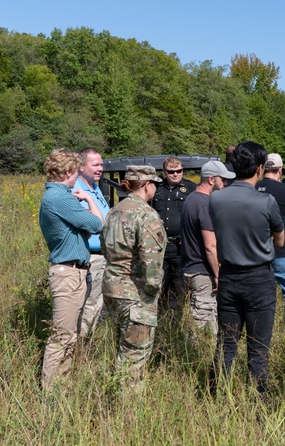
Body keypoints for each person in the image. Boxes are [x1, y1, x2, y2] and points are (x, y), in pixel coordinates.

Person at [209, 141, 285, 396]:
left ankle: (215, 395)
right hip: (259, 278)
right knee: (258, 346)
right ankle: (259, 398)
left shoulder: (217, 198)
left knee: (226, 343)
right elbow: (281, 239)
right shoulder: (266, 201)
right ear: (260, 168)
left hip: (228, 277)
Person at [38, 149, 104, 389]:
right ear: (67, 172)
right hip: (68, 272)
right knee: (63, 336)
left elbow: (82, 230)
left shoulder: (59, 197)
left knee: (70, 334)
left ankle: (62, 384)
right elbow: (96, 224)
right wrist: (88, 200)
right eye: (76, 173)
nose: (78, 178)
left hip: (74, 270)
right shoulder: (60, 198)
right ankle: (52, 391)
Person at [101, 165, 167, 388]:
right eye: (155, 185)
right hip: (134, 293)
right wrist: (153, 289)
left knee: (121, 348)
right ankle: (127, 410)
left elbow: (105, 247)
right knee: (135, 355)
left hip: (112, 287)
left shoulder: (114, 211)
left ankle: (116, 395)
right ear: (147, 186)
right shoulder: (146, 215)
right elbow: (152, 262)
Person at [180, 160, 235, 345]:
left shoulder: (191, 198)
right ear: (211, 179)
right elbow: (210, 246)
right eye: (222, 180)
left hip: (191, 267)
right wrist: (218, 274)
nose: (225, 184)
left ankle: (209, 355)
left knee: (209, 321)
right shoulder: (204, 203)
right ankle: (189, 360)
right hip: (202, 272)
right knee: (200, 321)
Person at [256, 153, 285, 336]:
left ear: (262, 168)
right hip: (283, 250)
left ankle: (259, 330)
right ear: (280, 170)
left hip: (257, 249)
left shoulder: (253, 187)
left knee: (261, 294)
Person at [150, 156, 196, 310]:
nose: (176, 174)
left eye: (179, 171)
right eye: (171, 172)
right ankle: (161, 318)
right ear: (164, 172)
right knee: (158, 284)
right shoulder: (156, 188)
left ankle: (177, 318)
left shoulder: (190, 188)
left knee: (180, 286)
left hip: (180, 246)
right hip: (160, 245)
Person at [73, 147, 110, 339]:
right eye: (95, 164)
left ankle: (87, 341)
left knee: (98, 303)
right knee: (88, 304)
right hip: (90, 257)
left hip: (103, 257)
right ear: (80, 166)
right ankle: (81, 345)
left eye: (101, 164)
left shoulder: (95, 188)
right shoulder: (77, 190)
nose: (100, 169)